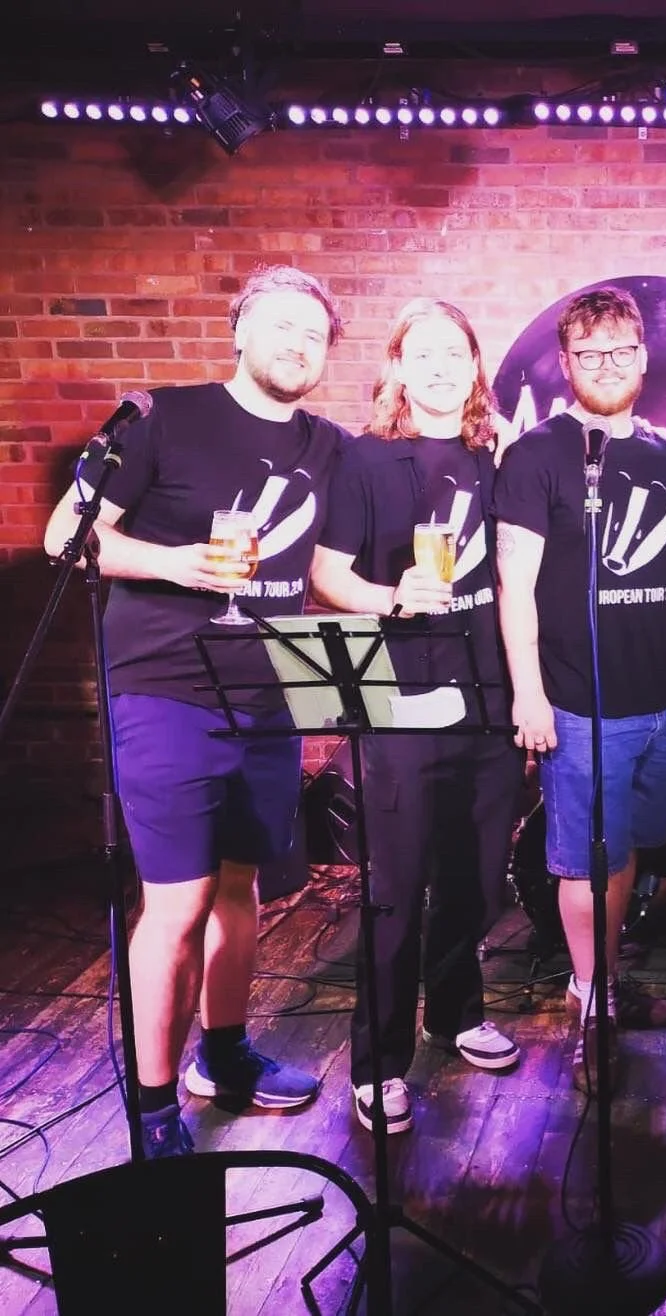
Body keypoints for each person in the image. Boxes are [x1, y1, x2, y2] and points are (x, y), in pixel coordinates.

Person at [41, 265, 348, 1158]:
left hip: (270, 695)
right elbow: (65, 534)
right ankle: (152, 1108)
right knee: (173, 904)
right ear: (239, 332)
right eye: (281, 325)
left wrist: (398, 595)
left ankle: (225, 1054)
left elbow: (320, 571)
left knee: (241, 888)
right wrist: (174, 563)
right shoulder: (162, 418)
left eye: (314, 334)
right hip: (167, 692)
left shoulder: (327, 446)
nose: (297, 345)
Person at [309, 298, 525, 1134]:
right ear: (398, 367)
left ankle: (458, 1014)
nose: (440, 367)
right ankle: (379, 1063)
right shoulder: (366, 459)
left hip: (488, 696)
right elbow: (328, 574)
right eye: (423, 353)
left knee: (476, 876)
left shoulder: (496, 457)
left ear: (475, 369)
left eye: (455, 354)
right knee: (396, 888)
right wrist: (391, 597)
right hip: (398, 698)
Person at [492, 287, 666, 1093]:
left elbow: (663, 574)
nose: (607, 365)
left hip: (660, 699)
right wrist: (528, 694)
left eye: (620, 350)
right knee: (583, 862)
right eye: (589, 353)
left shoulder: (665, 456)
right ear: (565, 364)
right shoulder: (536, 455)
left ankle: (604, 980)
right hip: (577, 702)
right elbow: (515, 587)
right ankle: (590, 1002)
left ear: (642, 358)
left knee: (626, 850)